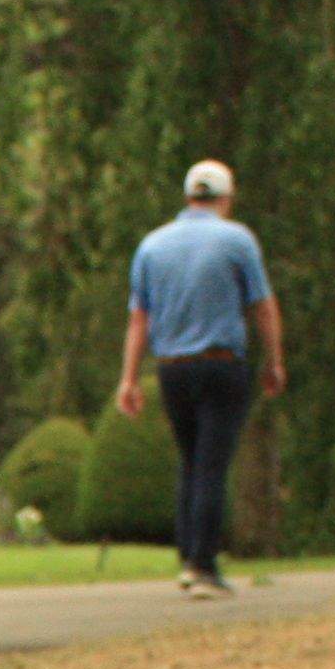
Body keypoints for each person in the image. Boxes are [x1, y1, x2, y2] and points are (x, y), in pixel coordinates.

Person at [112, 157, 284, 597]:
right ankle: (204, 565)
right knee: (212, 464)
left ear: (189, 196)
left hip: (172, 369)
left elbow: (138, 318)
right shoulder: (237, 240)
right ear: (225, 198)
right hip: (221, 363)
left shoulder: (152, 246)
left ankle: (188, 557)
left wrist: (129, 379)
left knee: (190, 462)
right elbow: (262, 306)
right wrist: (274, 360)